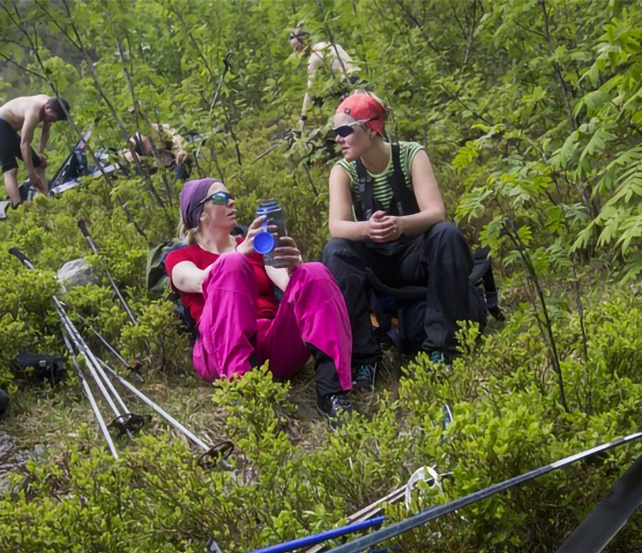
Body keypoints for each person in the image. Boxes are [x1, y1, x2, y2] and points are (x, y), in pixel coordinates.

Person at [321, 91, 483, 389]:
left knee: (446, 233)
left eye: (344, 131)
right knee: (336, 252)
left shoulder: (411, 154)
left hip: (414, 256)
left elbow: (436, 212)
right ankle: (363, 360)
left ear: (371, 129)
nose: (338, 139)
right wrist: (369, 229)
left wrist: (400, 225)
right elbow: (337, 226)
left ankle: (443, 349)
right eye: (335, 133)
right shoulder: (342, 171)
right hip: (375, 266)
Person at [165, 178, 355, 422]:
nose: (232, 201)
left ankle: (333, 393)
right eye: (222, 198)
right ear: (199, 213)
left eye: (230, 195)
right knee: (231, 265)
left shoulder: (254, 247)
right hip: (219, 353)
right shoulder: (180, 257)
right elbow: (196, 280)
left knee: (314, 272)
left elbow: (292, 289)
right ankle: (246, 391)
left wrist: (292, 267)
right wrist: (237, 255)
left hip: (273, 346)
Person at [0, 95, 71, 206]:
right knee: (11, 169)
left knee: (40, 164)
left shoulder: (51, 105)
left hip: (11, 130)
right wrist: (31, 174)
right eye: (51, 118)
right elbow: (24, 145)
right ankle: (18, 206)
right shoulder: (33, 113)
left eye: (54, 120)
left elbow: (45, 132)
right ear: (47, 108)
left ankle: (44, 201)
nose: (52, 121)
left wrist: (40, 153)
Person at [288, 28, 362, 134]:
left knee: (318, 101)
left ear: (305, 42)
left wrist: (303, 117)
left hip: (348, 83)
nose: (297, 52)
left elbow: (310, 91)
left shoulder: (314, 58)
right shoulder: (328, 45)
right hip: (358, 79)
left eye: (297, 48)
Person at [122, 123, 192, 180]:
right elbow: (126, 148)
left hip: (173, 165)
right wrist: (127, 153)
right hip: (154, 174)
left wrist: (181, 150)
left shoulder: (162, 129)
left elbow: (177, 139)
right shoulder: (136, 139)